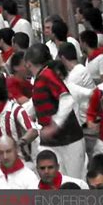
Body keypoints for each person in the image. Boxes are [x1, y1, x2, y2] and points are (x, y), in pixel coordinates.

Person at [25, 43, 86, 179]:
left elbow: (67, 99)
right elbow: (35, 105)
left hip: (69, 140)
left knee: (73, 182)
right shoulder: (41, 78)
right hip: (53, 142)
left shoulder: (47, 75)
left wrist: (55, 125)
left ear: (28, 63)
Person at [0, 75, 38, 158]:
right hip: (1, 166)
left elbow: (33, 131)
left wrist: (18, 144)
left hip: (23, 162)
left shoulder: (15, 110)